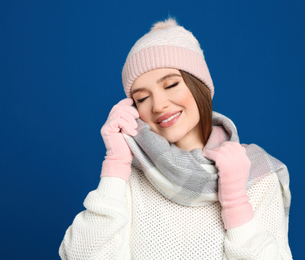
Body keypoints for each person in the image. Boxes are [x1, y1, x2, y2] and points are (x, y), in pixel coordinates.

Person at [59, 18, 292, 259]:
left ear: (199, 84)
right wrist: (115, 163)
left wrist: (236, 203)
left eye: (170, 84)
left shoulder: (256, 173)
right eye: (142, 98)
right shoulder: (130, 176)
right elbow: (80, 255)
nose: (158, 105)